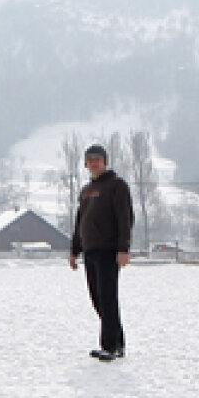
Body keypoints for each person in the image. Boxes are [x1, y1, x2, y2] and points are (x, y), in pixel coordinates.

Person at [69, 143, 134, 362]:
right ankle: (117, 342)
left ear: (105, 161)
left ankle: (110, 346)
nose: (93, 163)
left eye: (97, 159)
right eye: (90, 160)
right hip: (90, 251)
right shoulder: (86, 191)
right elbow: (80, 222)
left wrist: (123, 248)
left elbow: (125, 219)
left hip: (108, 250)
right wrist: (74, 249)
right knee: (97, 298)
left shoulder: (117, 186)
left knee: (108, 298)